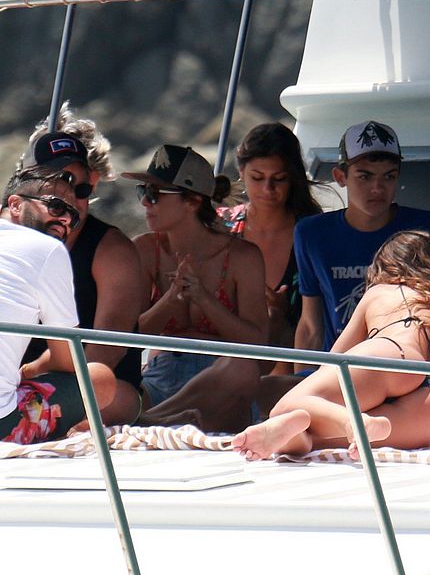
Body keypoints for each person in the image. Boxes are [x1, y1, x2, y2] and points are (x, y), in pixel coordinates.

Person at [232, 230, 430, 460]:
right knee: (315, 438)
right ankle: (312, 434)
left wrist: (331, 402)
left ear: (387, 267)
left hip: (394, 353)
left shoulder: (382, 291)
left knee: (285, 408)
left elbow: (333, 362)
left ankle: (350, 421)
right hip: (429, 410)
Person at [124, 145, 268, 432]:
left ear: (192, 201)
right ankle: (161, 419)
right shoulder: (144, 249)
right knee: (106, 385)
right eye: (143, 192)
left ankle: (148, 421)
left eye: (154, 194)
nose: (145, 203)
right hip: (161, 376)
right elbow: (130, 338)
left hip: (221, 382)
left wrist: (203, 299)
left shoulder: (243, 257)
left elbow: (258, 347)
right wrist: (171, 300)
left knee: (242, 368)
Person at [19, 111, 145, 426]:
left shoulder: (112, 252)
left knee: (111, 390)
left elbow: (106, 351)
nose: (69, 198)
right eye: (55, 185)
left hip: (88, 388)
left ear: (93, 183)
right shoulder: (10, 237)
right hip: (14, 384)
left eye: (80, 189)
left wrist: (31, 380)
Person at [293, 120, 430, 356]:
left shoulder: (428, 230)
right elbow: (310, 325)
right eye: (365, 176)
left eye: (388, 176)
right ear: (340, 176)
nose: (377, 188)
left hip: (406, 364)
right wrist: (302, 376)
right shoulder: (311, 234)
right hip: (337, 366)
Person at [1, 166, 116, 443]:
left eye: (73, 216)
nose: (65, 219)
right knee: (100, 378)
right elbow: (68, 359)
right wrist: (27, 371)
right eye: (55, 206)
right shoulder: (47, 248)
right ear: (15, 204)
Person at [218, 123, 322, 374]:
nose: (268, 189)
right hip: (220, 366)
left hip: (293, 371)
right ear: (241, 172)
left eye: (279, 179)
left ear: (293, 178)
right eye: (257, 178)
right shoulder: (219, 227)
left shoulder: (314, 234)